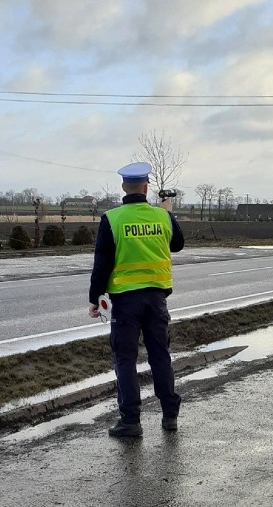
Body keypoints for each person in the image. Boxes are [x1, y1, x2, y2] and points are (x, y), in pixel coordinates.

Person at [88, 162, 185, 437]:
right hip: (156, 300)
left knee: (125, 359)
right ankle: (169, 417)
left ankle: (131, 421)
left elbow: (102, 263)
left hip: (125, 304)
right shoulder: (162, 217)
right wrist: (169, 215)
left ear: (123, 188)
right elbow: (177, 244)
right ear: (146, 187)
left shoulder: (112, 219)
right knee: (160, 357)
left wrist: (95, 298)